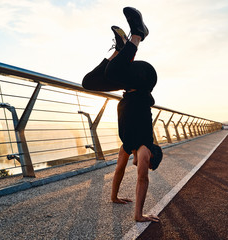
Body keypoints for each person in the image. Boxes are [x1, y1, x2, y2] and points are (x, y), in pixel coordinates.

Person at [82, 7, 163, 222]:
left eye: (138, 163)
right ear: (152, 156)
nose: (138, 163)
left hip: (130, 83)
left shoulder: (127, 146)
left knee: (90, 83)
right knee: (114, 72)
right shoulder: (146, 147)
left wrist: (114, 196)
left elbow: (118, 171)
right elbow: (142, 180)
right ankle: (138, 34)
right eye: (144, 163)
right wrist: (139, 215)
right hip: (145, 78)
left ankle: (120, 49)